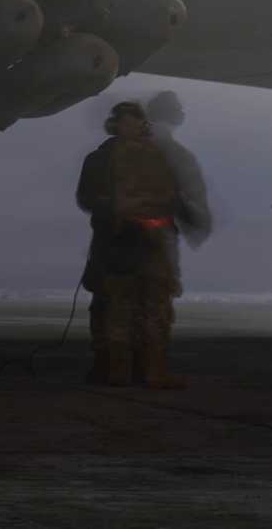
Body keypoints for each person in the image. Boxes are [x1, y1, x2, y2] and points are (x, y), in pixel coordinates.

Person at [77, 100, 209, 389]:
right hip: (137, 243)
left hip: (127, 243)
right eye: (132, 121)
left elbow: (87, 199)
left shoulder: (107, 157)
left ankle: (120, 371)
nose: (136, 126)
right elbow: (90, 199)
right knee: (140, 308)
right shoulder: (147, 156)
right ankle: (141, 372)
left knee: (126, 308)